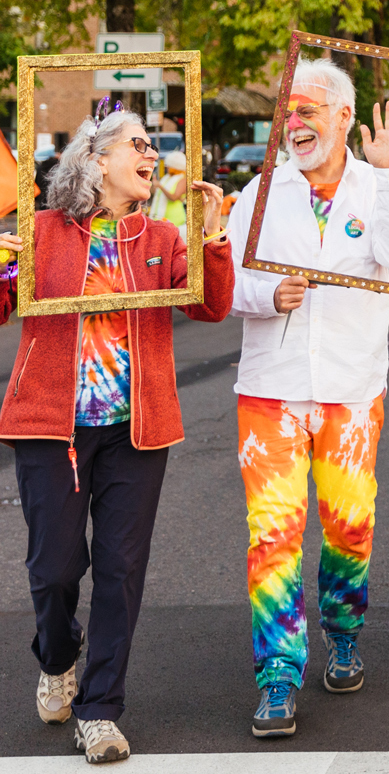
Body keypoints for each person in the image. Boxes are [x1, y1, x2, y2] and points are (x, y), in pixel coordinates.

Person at [0, 110, 232, 763]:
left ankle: (100, 711)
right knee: (53, 570)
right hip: (52, 426)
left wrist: (210, 234)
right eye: (138, 144)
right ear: (97, 159)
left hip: (137, 429)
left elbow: (209, 306)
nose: (151, 154)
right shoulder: (39, 231)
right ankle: (56, 655)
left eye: (154, 146)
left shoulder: (159, 236)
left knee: (121, 570)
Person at [227, 58, 389, 738]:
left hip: (351, 388)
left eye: (309, 110)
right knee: (272, 536)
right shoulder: (258, 194)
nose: (295, 123)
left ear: (342, 115)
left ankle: (343, 632)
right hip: (271, 391)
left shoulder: (377, 185)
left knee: (347, 523)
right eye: (287, 111)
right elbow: (227, 283)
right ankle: (277, 678)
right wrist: (264, 294)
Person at [148, 149, 188, 239]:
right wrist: (154, 186)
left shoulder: (182, 179)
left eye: (169, 166)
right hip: (160, 217)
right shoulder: (166, 178)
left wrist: (160, 186)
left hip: (174, 217)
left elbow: (174, 197)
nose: (167, 168)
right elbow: (156, 193)